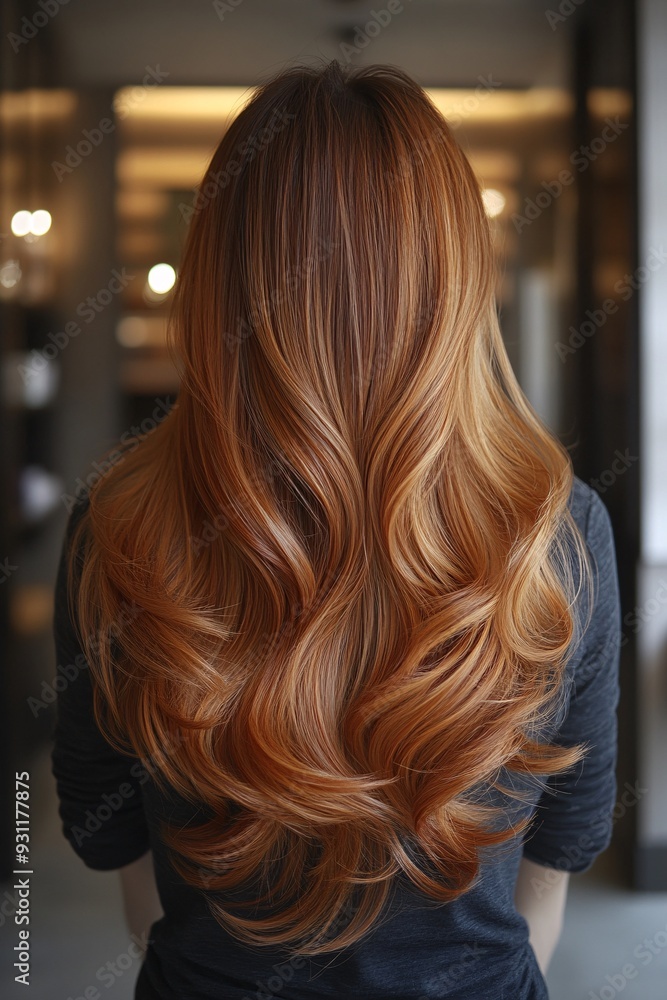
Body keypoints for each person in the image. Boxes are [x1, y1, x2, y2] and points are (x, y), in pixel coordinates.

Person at [51, 59, 621, 999]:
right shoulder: (557, 534)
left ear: (215, 276)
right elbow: (552, 873)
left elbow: (115, 851)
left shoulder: (115, 527)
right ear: (451, 280)